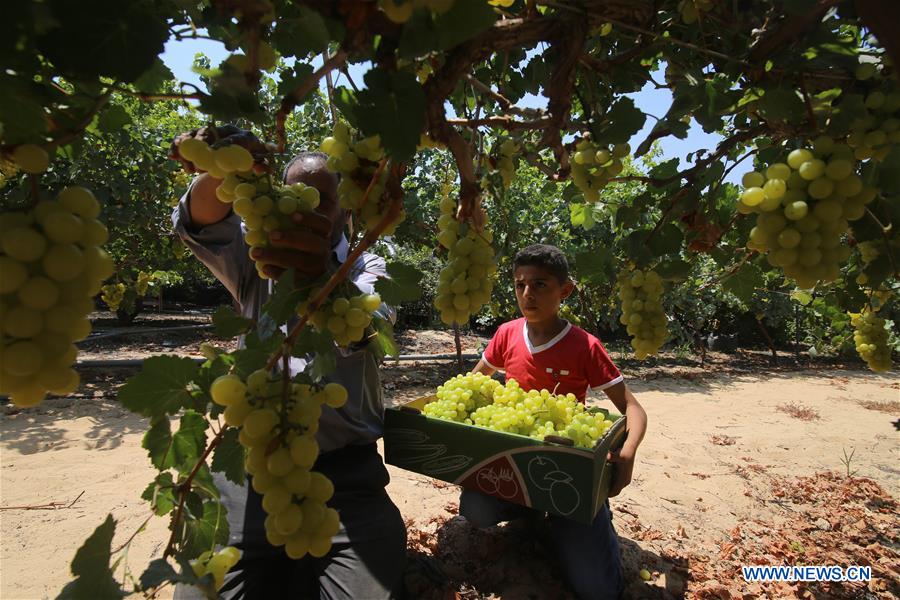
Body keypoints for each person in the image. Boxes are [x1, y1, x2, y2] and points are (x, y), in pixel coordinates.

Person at [168, 126, 407, 599]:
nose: (310, 209)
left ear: (344, 207)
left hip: (349, 479)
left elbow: (368, 325)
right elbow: (202, 218)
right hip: (252, 471)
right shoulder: (258, 258)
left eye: (324, 199)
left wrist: (326, 281)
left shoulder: (371, 264)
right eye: (299, 196)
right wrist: (226, 166)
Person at [460, 243, 648, 600]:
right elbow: (474, 385)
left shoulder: (584, 346)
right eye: (520, 285)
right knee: (475, 508)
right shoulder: (506, 334)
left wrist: (629, 452)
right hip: (514, 464)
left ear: (566, 290)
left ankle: (577, 520)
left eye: (540, 284)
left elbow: (634, 409)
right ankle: (532, 516)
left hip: (567, 472)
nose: (527, 294)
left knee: (598, 591)